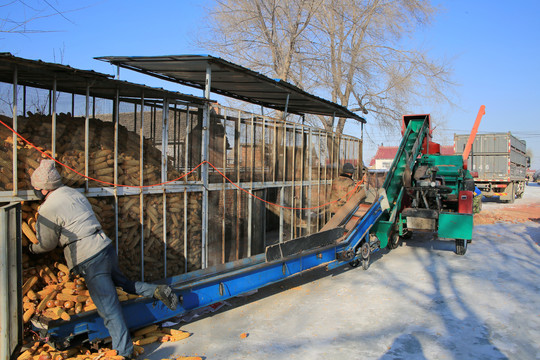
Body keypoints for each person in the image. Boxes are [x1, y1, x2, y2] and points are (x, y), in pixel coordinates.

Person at [29, 160, 178, 359]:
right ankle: (157, 290)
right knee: (123, 283)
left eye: (36, 188)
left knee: (109, 309)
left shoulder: (48, 208)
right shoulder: (73, 193)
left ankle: (123, 352)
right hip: (105, 247)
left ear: (42, 188)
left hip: (89, 257)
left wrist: (31, 248)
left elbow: (46, 244)